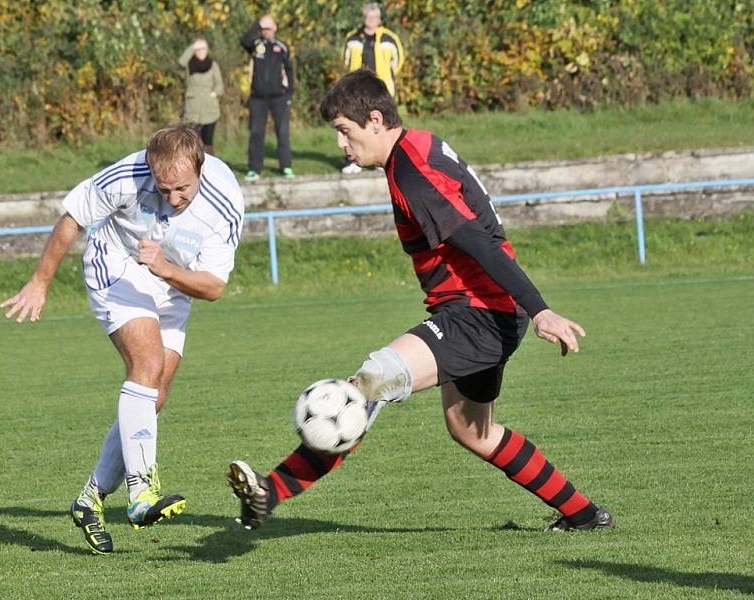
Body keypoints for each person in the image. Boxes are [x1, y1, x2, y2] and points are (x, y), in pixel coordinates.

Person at [226, 70, 613, 533]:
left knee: (369, 383)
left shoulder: (413, 172)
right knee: (474, 432)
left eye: (344, 132)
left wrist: (541, 308)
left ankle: (270, 493)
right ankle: (584, 514)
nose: (340, 145)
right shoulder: (419, 147)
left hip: (478, 314)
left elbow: (479, 243)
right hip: (487, 312)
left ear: (374, 120)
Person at [1, 124, 244, 554]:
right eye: (164, 188)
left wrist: (167, 270)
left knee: (154, 396)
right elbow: (73, 218)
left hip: (173, 279)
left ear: (201, 168)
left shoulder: (224, 202)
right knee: (146, 366)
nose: (172, 199)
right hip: (116, 266)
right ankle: (141, 493)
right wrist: (40, 282)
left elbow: (213, 287)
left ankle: (90, 499)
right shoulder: (127, 175)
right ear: (150, 168)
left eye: (182, 189)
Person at [341, 2, 404, 174]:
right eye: (368, 17)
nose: (371, 20)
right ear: (364, 18)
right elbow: (345, 61)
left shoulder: (389, 38)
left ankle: (381, 161)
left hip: (382, 91)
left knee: (382, 126)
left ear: (379, 19)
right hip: (357, 91)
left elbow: (397, 62)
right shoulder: (353, 38)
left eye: (375, 17)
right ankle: (355, 161)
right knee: (357, 125)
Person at [240, 14, 295, 181]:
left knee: (283, 132)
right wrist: (258, 24)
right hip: (258, 98)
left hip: (279, 97)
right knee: (256, 133)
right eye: (263, 29)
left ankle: (286, 167)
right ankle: (254, 169)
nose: (266, 32)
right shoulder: (256, 45)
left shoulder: (282, 47)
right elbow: (244, 40)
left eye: (268, 28)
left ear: (275, 29)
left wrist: (289, 93)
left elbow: (290, 71)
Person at [178, 38, 225, 156]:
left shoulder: (213, 65)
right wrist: (192, 47)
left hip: (210, 108)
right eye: (198, 49)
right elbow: (181, 62)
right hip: (192, 109)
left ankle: (210, 166)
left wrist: (215, 93)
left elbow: (220, 85)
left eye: (203, 48)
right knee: (193, 140)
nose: (200, 51)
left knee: (208, 141)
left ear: (207, 50)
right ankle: (193, 166)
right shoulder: (189, 64)